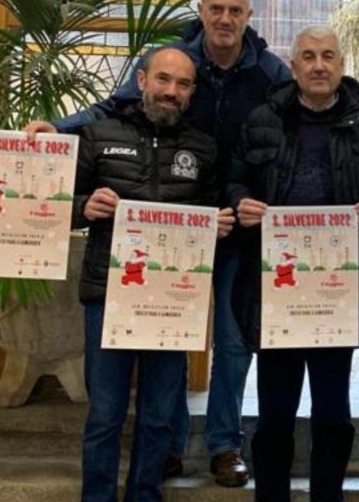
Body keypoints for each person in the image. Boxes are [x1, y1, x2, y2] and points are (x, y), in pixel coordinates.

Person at [26, 0, 291, 487]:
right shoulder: (172, 59)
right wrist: (57, 128)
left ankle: (223, 444)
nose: (224, 18)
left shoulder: (270, 71)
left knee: (233, 343)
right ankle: (167, 447)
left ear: (248, 17)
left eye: (235, 10)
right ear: (202, 9)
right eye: (216, 8)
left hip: (230, 219)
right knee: (167, 337)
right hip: (162, 232)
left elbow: (291, 133)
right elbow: (110, 109)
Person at [226, 25, 359, 502]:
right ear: (294, 65)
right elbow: (234, 182)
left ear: (341, 64)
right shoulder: (262, 119)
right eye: (308, 56)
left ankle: (328, 496)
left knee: (332, 414)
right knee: (275, 415)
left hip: (335, 291)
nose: (319, 65)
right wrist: (242, 204)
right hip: (276, 288)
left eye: (328, 55)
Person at [73, 47, 235, 501]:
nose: (172, 92)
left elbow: (212, 211)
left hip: (172, 299)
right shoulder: (98, 133)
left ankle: (145, 493)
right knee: (105, 412)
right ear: (142, 80)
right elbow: (61, 205)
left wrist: (217, 224)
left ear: (191, 92)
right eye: (164, 80)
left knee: (160, 412)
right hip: (109, 296)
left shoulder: (203, 147)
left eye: (183, 84)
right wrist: (82, 207)